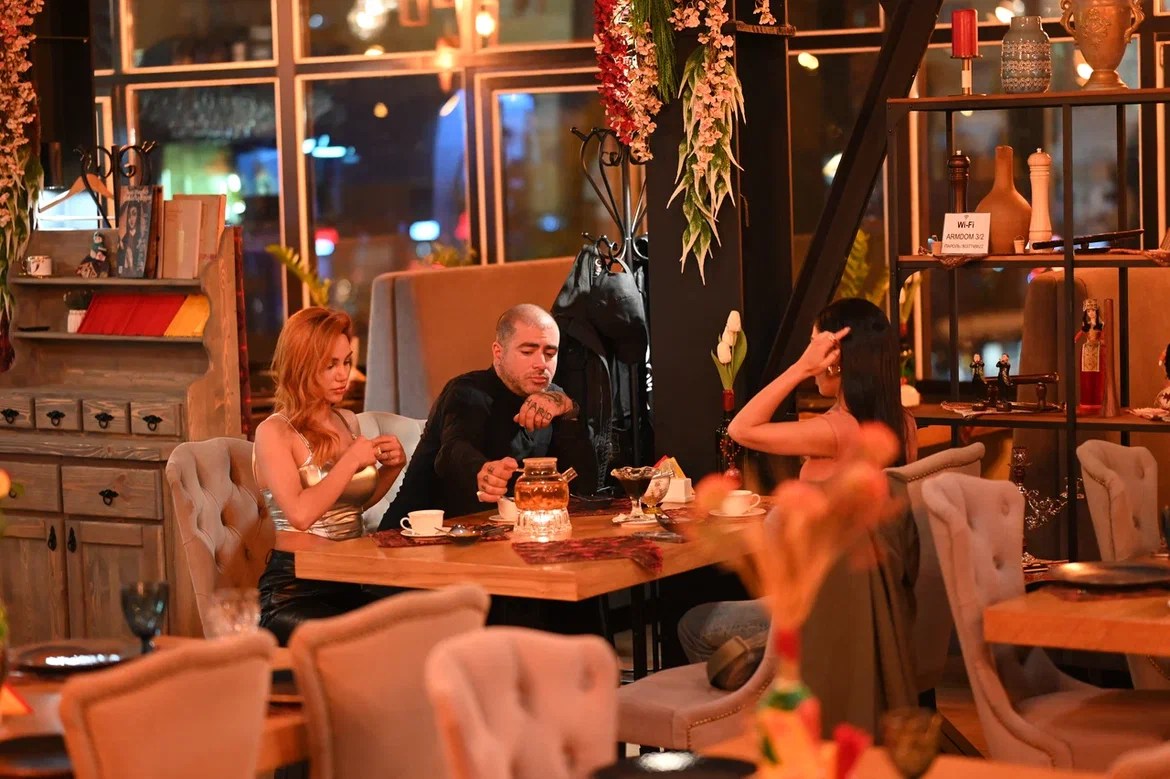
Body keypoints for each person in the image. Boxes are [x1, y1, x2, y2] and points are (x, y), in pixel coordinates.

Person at [676, 298, 918, 731]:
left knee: (694, 624)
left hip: (821, 610)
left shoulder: (835, 431)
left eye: (815, 345)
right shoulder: (901, 423)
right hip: (866, 609)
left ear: (835, 357)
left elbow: (740, 429)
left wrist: (801, 369)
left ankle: (752, 717)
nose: (812, 355)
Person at [255, 307, 407, 645]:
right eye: (330, 365)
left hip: (352, 578)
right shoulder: (275, 432)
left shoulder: (347, 420)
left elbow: (351, 505)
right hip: (295, 591)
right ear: (302, 365)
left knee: (417, 622)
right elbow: (301, 514)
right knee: (366, 640)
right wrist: (350, 460)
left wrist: (392, 468)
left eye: (346, 362)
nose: (343, 375)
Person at [380, 303, 597, 529]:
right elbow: (452, 451)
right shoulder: (467, 391)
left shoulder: (553, 400)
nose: (541, 364)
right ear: (498, 352)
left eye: (550, 353)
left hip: (503, 531)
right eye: (527, 352)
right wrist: (482, 471)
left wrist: (569, 411)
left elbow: (584, 484)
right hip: (416, 532)